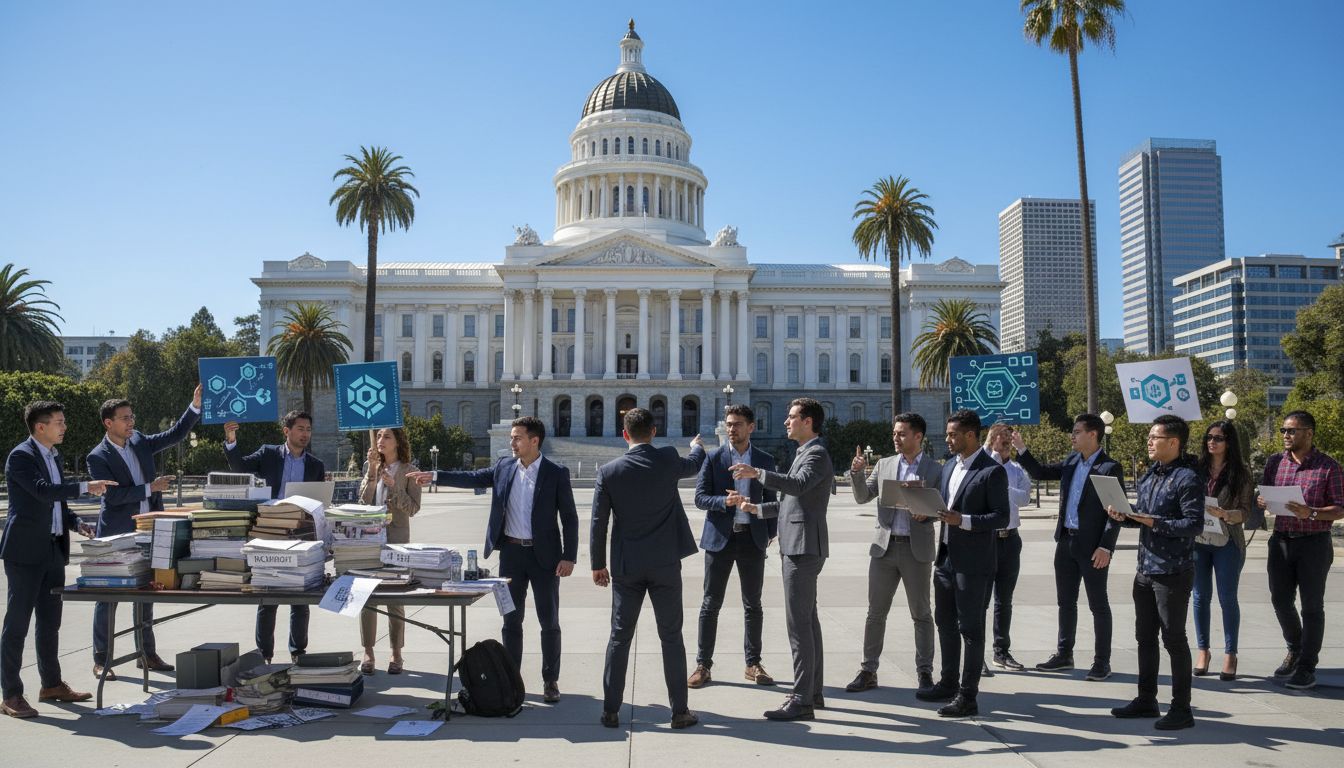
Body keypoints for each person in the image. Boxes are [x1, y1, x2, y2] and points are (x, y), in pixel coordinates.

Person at [410, 416, 578, 702]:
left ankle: (551, 680)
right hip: (511, 555)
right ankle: (511, 680)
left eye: (517, 438)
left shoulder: (555, 473)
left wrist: (569, 557)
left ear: (534, 441)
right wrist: (436, 476)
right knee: (511, 620)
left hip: (545, 558)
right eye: (511, 437)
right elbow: (473, 478)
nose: (511, 442)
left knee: (548, 621)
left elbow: (570, 518)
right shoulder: (504, 467)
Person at [590, 408, 705, 729]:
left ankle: (611, 710)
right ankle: (680, 711)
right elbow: (694, 464)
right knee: (671, 637)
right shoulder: (668, 459)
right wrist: (697, 445)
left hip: (626, 567)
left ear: (624, 434)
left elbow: (599, 523)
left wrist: (598, 564)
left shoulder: (609, 471)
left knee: (619, 638)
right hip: (665, 563)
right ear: (653, 432)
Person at [2, 401, 115, 718]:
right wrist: (85, 486)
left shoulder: (53, 455)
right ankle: (10, 694)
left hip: (53, 549)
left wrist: (75, 522)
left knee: (50, 623)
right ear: (40, 427)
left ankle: (51, 684)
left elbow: (56, 502)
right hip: (24, 552)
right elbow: (41, 491)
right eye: (59, 422)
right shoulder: (21, 457)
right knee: (17, 624)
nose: (64, 426)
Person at [85, 385, 202, 679]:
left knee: (146, 592)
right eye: (125, 418)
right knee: (107, 598)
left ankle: (146, 653)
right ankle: (102, 659)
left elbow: (174, 434)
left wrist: (195, 407)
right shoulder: (97, 456)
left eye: (132, 416)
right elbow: (112, 496)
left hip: (149, 528)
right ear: (108, 423)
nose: (131, 423)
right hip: (115, 532)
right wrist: (150, 487)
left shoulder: (139, 441)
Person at [734, 397, 833, 722]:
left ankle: (802, 699)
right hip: (800, 544)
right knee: (809, 622)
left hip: (802, 548)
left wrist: (758, 473)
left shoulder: (815, 454)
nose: (786, 422)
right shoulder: (804, 453)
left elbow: (799, 485)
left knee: (798, 625)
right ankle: (812, 692)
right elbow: (793, 500)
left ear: (808, 422)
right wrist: (757, 509)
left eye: (792, 417)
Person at [1107, 414, 1203, 730]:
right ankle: (1146, 700)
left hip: (1173, 571)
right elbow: (1142, 517)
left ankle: (1182, 709)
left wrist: (1153, 521)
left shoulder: (1188, 478)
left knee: (1174, 639)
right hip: (1145, 569)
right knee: (1144, 637)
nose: (1149, 441)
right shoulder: (1149, 477)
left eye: (1155, 437)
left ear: (1173, 442)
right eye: (1149, 436)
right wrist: (1123, 516)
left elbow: (1193, 525)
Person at [1013, 414, 1124, 680]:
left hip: (1093, 548)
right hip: (1066, 542)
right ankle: (1065, 654)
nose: (1072, 436)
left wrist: (1106, 547)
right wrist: (1021, 449)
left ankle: (1102, 662)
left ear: (1093, 434)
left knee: (1098, 605)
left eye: (1077, 431)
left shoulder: (1109, 468)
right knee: (1066, 602)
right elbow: (1040, 472)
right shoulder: (1072, 461)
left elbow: (1116, 512)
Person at [917, 410, 1008, 718]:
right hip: (944, 560)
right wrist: (925, 512)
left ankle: (968, 695)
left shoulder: (992, 471)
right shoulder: (947, 468)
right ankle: (948, 682)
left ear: (970, 435)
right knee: (945, 623)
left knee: (970, 628)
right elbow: (943, 509)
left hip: (973, 563)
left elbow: (1001, 516)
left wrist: (964, 521)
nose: (948, 439)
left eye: (953, 434)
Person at [844, 412, 940, 694]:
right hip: (884, 548)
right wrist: (857, 473)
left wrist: (928, 515)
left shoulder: (935, 469)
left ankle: (925, 672)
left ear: (918, 436)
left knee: (921, 614)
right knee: (875, 613)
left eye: (901, 434)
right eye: (894, 434)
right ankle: (868, 670)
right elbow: (863, 497)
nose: (895, 438)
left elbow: (943, 506)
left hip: (916, 549)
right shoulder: (885, 464)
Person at [223, 411, 326, 662]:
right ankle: (264, 654)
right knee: (267, 595)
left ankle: (298, 652)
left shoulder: (316, 465)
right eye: (300, 428)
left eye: (308, 429)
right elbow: (239, 467)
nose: (305, 434)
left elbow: (319, 505)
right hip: (270, 531)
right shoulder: (268, 453)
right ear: (286, 431)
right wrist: (231, 439)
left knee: (300, 598)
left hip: (301, 535)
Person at [690, 404, 777, 688]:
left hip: (752, 540)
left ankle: (753, 664)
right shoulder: (714, 458)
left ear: (751, 427)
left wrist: (769, 532)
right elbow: (700, 497)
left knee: (753, 605)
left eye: (738, 424)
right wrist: (723, 502)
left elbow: (774, 501)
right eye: (729, 424)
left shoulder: (764, 460)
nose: (731, 429)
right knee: (710, 604)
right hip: (720, 540)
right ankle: (703, 664)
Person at [1258, 410, 1342, 690]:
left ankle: (1307, 667)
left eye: (1291, 431)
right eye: (1283, 430)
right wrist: (1262, 500)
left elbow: (1340, 507)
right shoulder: (1275, 463)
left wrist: (1312, 513)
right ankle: (1295, 648)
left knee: (1312, 607)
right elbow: (1267, 493)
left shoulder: (1328, 466)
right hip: (1281, 540)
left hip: (1314, 544)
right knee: (1280, 600)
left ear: (1309, 433)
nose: (1285, 435)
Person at [1192, 420, 1256, 682]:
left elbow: (1246, 512)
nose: (1212, 442)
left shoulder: (1240, 472)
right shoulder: (1197, 469)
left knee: (1227, 598)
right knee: (1199, 597)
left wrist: (1225, 514)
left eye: (1218, 438)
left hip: (1227, 541)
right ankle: (1203, 650)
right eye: (1209, 437)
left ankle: (1230, 654)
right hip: (1198, 540)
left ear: (1229, 442)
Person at [357, 427, 421, 675]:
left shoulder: (410, 470)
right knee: (367, 597)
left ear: (398, 442)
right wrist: (372, 472)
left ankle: (396, 652)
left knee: (395, 598)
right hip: (370, 539)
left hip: (396, 538)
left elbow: (413, 508)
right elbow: (363, 500)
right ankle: (368, 651)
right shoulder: (370, 465)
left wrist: (394, 487)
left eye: (387, 436)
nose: (381, 440)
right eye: (379, 436)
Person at [981, 423, 1033, 673]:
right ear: (991, 441)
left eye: (1008, 438)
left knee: (1005, 600)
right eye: (999, 437)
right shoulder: (983, 465)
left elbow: (1025, 498)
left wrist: (1003, 486)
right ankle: (975, 654)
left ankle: (1001, 651)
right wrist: (990, 449)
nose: (1004, 442)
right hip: (986, 540)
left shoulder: (1016, 469)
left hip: (1010, 539)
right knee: (980, 600)